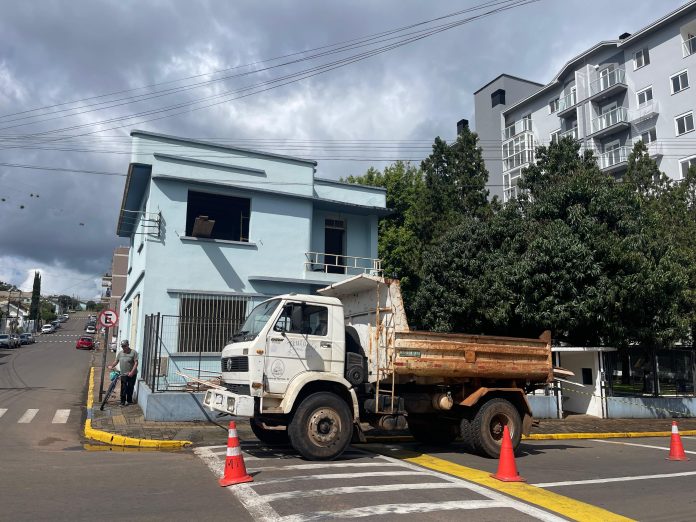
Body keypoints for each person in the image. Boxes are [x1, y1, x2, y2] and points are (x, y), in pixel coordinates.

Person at [108, 340, 138, 406]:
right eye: (122, 346)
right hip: (123, 373)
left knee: (130, 387)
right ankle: (122, 401)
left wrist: (132, 372)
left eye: (125, 346)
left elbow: (136, 363)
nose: (123, 347)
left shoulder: (133, 352)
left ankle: (129, 400)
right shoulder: (120, 353)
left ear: (128, 345)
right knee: (123, 387)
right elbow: (116, 361)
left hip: (132, 373)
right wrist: (112, 366)